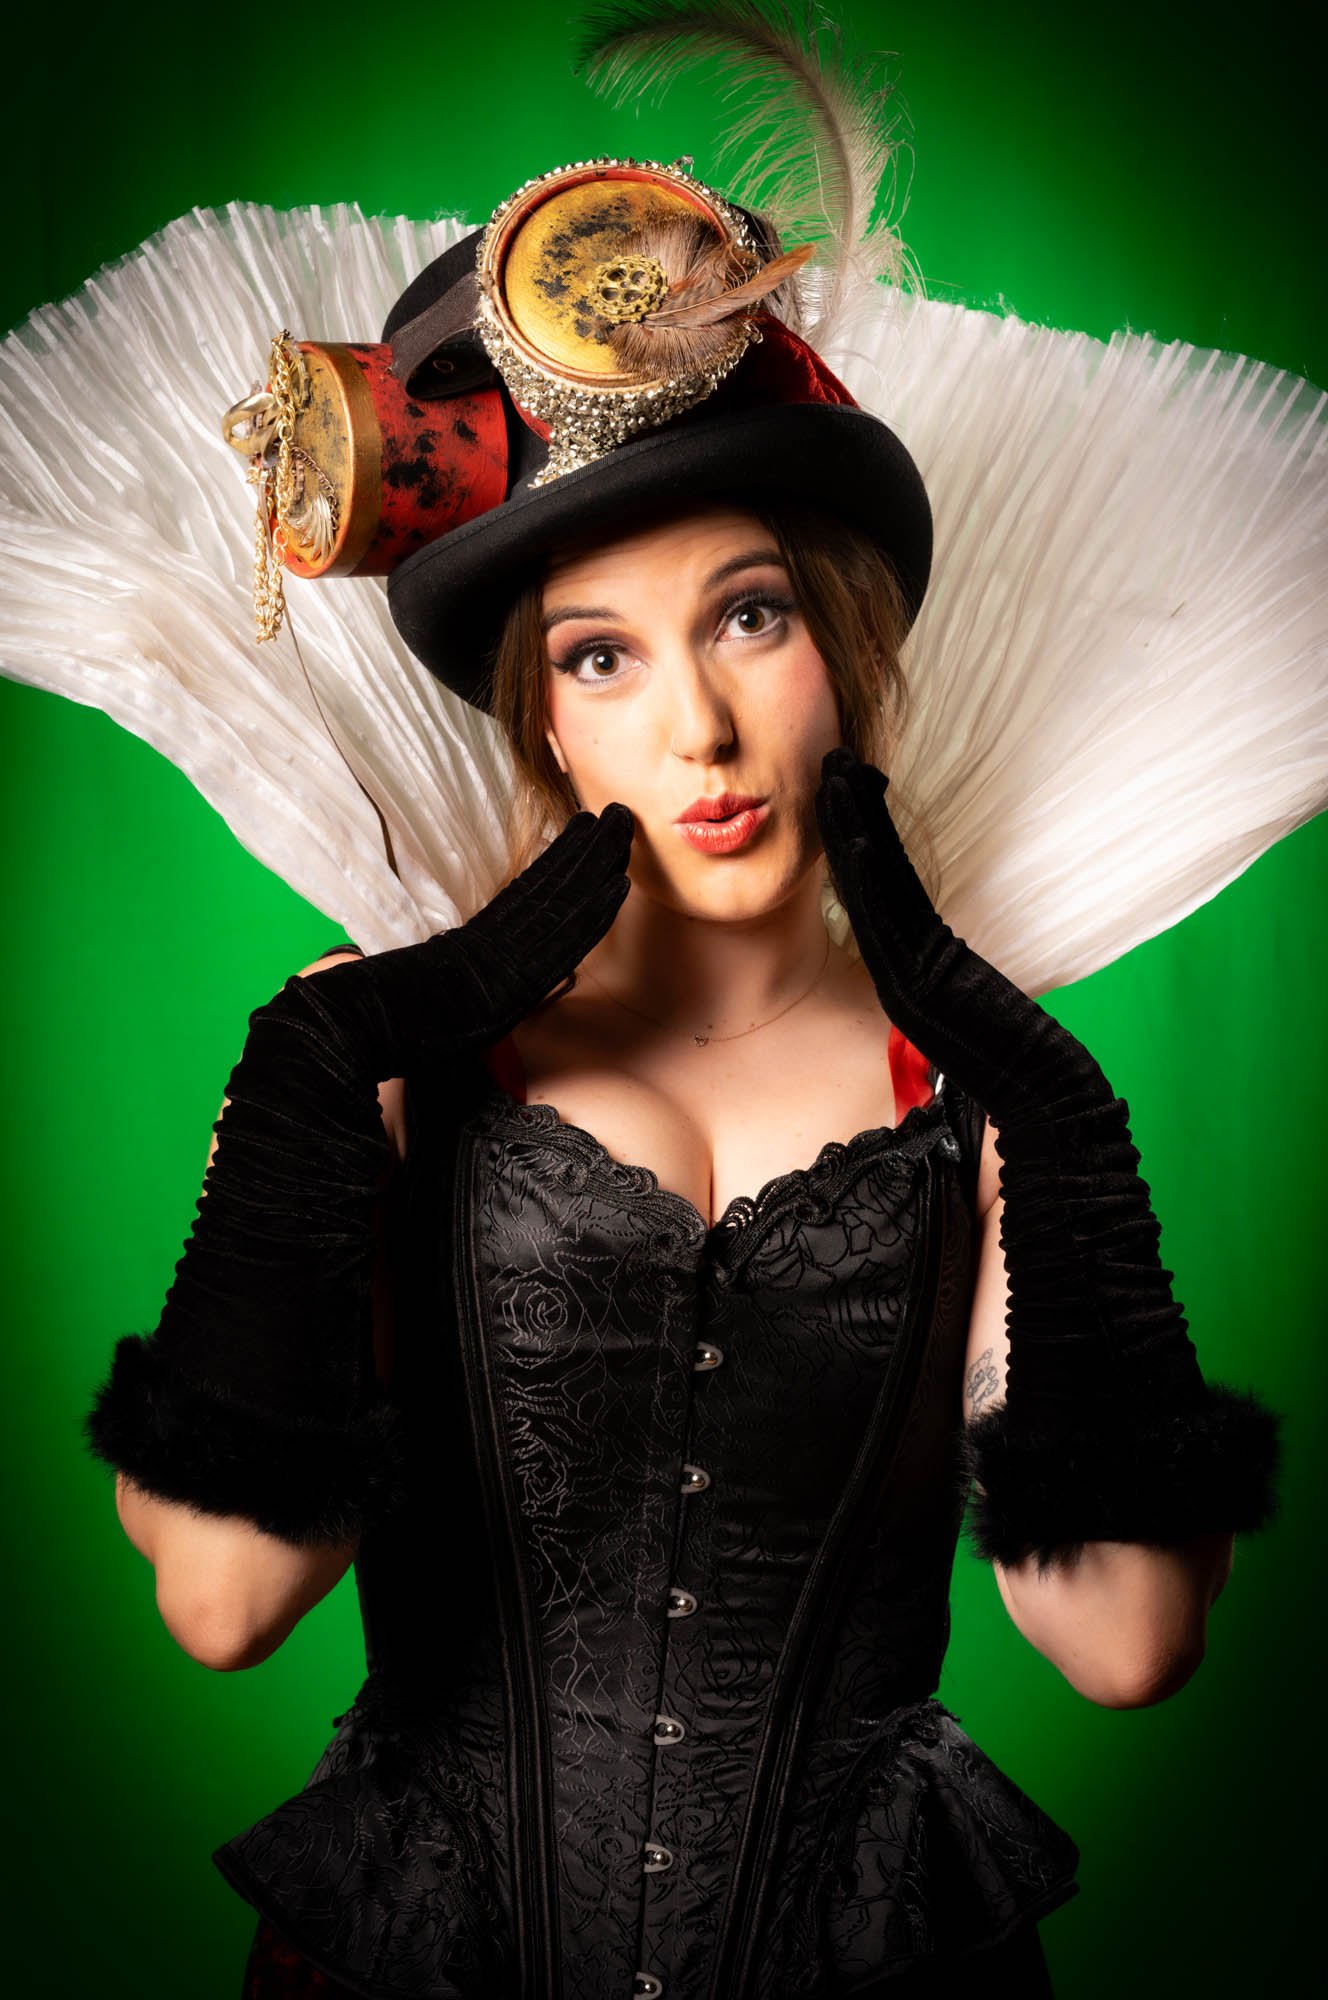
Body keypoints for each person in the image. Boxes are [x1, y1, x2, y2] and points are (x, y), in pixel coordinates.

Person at [80, 121, 1286, 1998]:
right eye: (599, 657)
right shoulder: (375, 1053)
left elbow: (1129, 1642)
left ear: (839, 642)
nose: (704, 725)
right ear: (545, 721)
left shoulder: (963, 1109)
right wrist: (344, 1049)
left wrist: (1048, 1106)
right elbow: (225, 1602)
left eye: (748, 614)